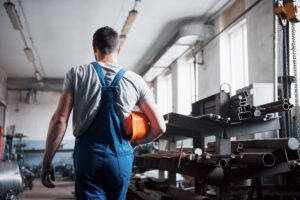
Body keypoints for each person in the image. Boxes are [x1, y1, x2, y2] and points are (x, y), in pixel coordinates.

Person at [41, 26, 166, 199]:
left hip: (88, 156)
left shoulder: (77, 74)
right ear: (119, 48)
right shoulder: (136, 80)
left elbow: (59, 121)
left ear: (94, 47)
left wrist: (47, 161)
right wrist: (134, 144)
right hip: (120, 157)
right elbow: (159, 127)